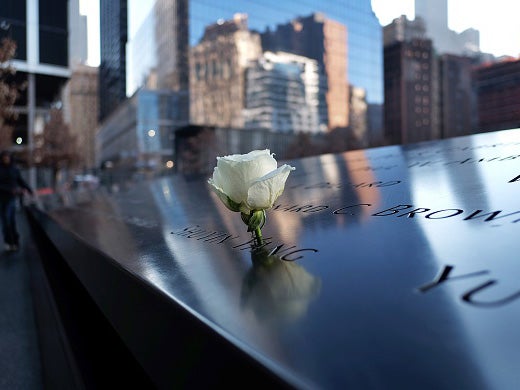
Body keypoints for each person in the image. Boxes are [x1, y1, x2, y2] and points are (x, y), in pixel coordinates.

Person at [0, 150, 33, 251]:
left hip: (11, 199)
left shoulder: (14, 169)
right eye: (4, 157)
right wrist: (11, 190)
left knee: (11, 220)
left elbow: (20, 180)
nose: (6, 159)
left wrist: (29, 190)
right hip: (2, 198)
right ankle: (9, 241)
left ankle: (14, 241)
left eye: (7, 157)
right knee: (6, 221)